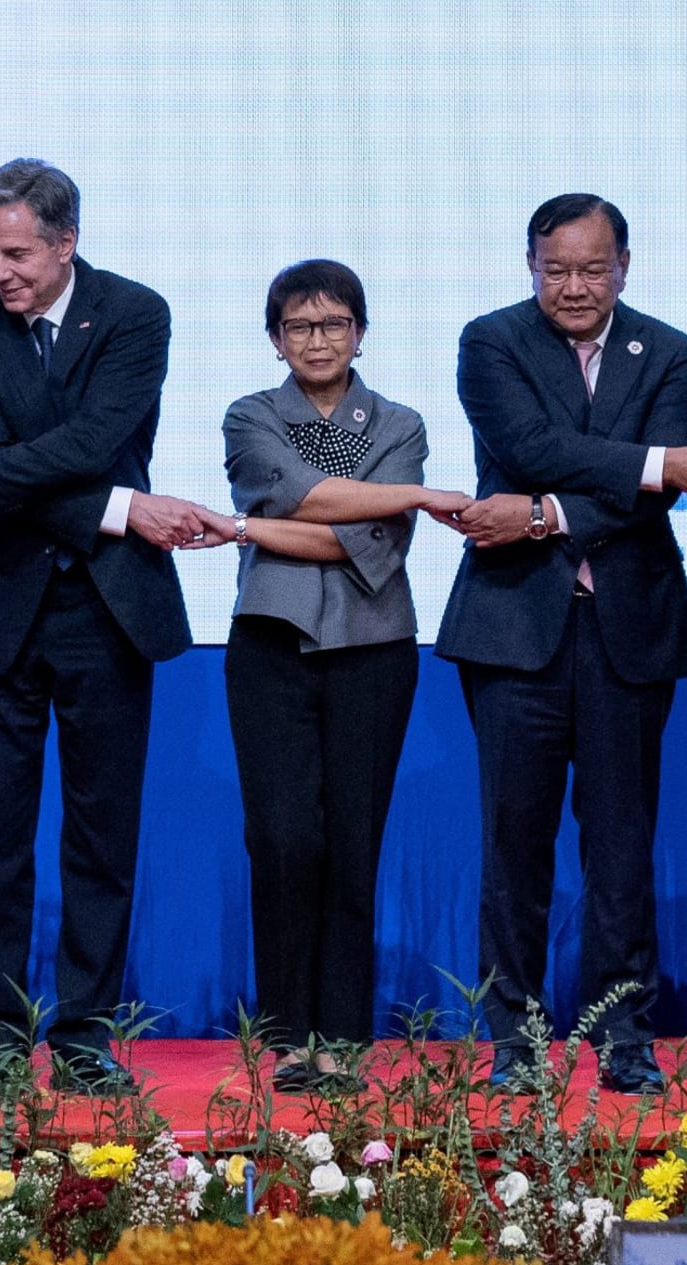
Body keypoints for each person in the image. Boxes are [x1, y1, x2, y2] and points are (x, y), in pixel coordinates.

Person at [0, 158, 213, 1095]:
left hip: (110, 608)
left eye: (17, 252)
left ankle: (85, 1035)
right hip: (2, 608)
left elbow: (91, 443)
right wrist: (119, 508)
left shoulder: (136, 313)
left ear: (66, 243)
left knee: (102, 836)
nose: (0, 271)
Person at [436, 193, 687, 1094]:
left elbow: (642, 491)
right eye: (556, 269)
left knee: (620, 844)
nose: (574, 287)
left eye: (593, 269)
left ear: (624, 265)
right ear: (530, 266)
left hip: (628, 629)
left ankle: (623, 1036)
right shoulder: (491, 341)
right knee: (513, 844)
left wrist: (543, 511)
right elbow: (528, 444)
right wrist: (652, 463)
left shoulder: (669, 348)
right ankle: (516, 1041)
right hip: (514, 630)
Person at [215, 259, 468, 1093]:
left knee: (352, 842)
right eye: (298, 326)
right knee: (283, 841)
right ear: (276, 338)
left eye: (332, 324)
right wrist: (379, 503)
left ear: (360, 331)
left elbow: (368, 538)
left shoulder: (400, 420)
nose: (316, 340)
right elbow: (336, 505)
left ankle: (342, 1043)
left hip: (374, 651)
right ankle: (289, 1036)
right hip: (269, 645)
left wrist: (258, 524)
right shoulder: (250, 414)